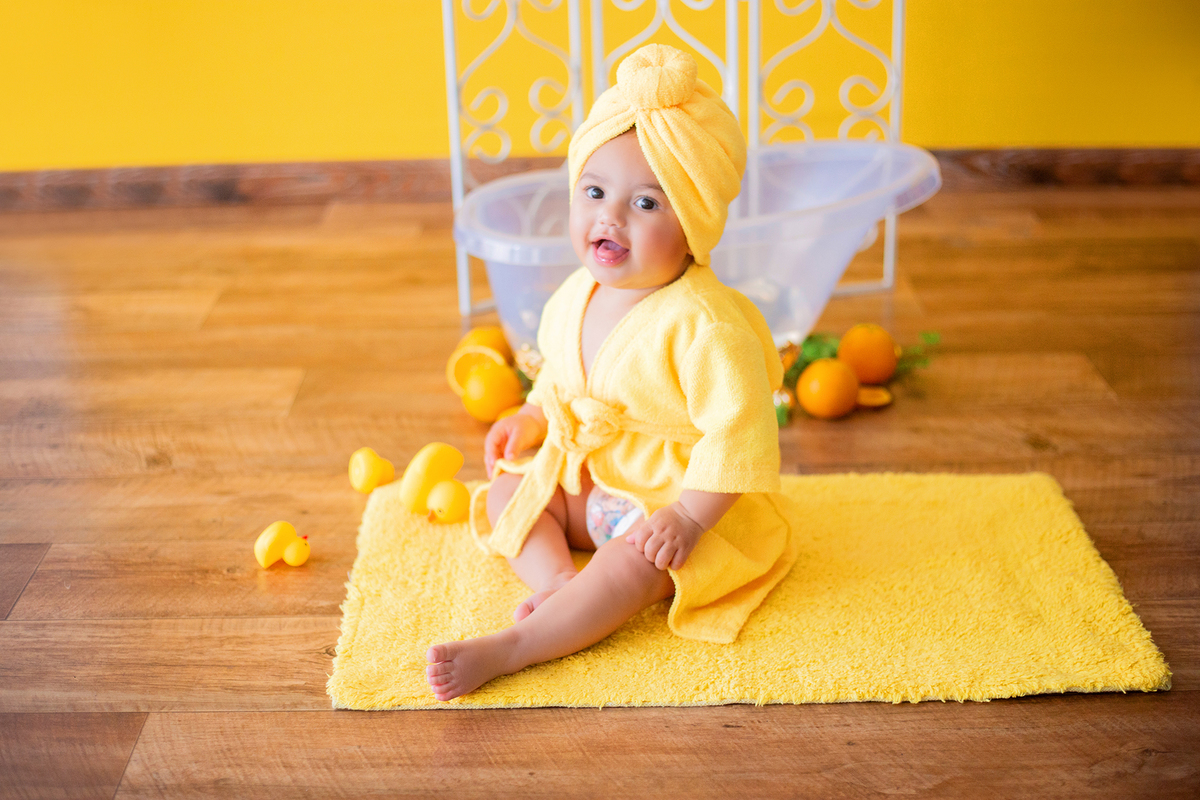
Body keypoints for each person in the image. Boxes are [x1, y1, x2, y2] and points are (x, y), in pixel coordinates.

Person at [426, 43, 798, 702]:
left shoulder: (706, 325)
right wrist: (532, 416)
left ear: (695, 228)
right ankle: (558, 588)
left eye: (647, 204)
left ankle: (515, 648)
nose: (611, 216)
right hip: (594, 482)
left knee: (631, 565)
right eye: (594, 192)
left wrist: (685, 519)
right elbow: (562, 381)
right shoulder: (575, 295)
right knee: (508, 494)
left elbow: (739, 436)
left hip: (675, 506)